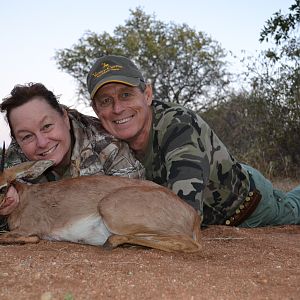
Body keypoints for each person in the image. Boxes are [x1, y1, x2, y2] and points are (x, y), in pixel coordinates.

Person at [86, 54, 300, 227]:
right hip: (217, 177)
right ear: (96, 110)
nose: (117, 108)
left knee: (294, 207)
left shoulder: (180, 126)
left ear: (148, 94)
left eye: (126, 95)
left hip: (248, 206)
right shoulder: (103, 140)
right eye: (106, 101)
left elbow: (185, 216)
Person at [0, 82, 144, 228]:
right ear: (17, 141)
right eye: (27, 136)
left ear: (64, 118)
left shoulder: (108, 146)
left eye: (47, 126)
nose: (42, 143)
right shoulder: (14, 160)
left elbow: (136, 204)